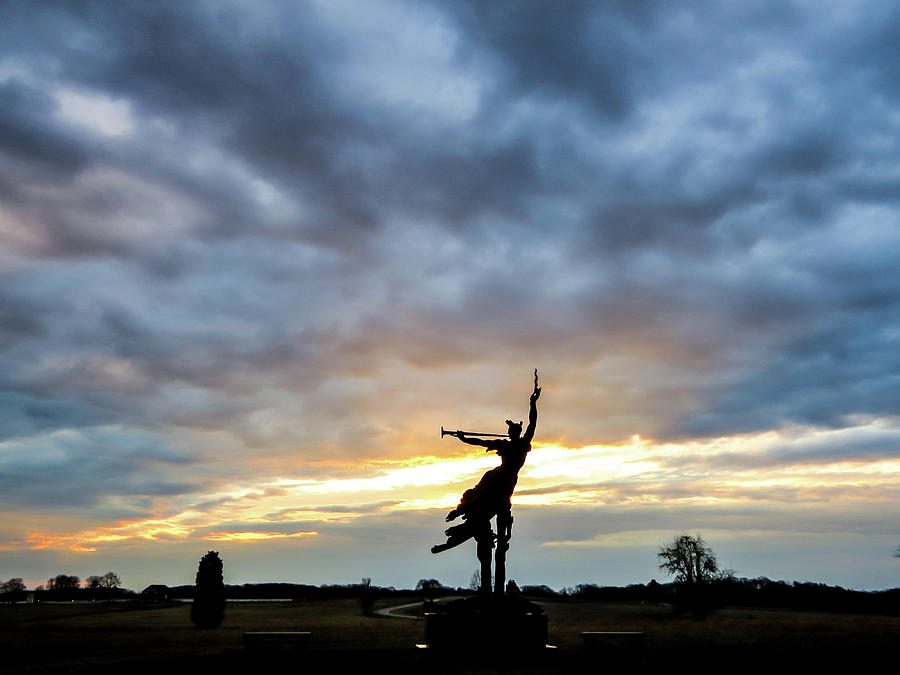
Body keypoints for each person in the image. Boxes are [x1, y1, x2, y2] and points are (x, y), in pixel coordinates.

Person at [431, 370, 540, 554]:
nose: (511, 434)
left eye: (514, 432)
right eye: (510, 432)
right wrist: (463, 439)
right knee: (478, 492)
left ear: (517, 433)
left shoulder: (522, 445)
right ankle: (466, 513)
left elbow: (532, 423)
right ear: (509, 434)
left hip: (507, 480)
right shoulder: (503, 445)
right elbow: (481, 442)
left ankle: (467, 517)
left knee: (489, 497)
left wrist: (532, 403)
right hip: (497, 475)